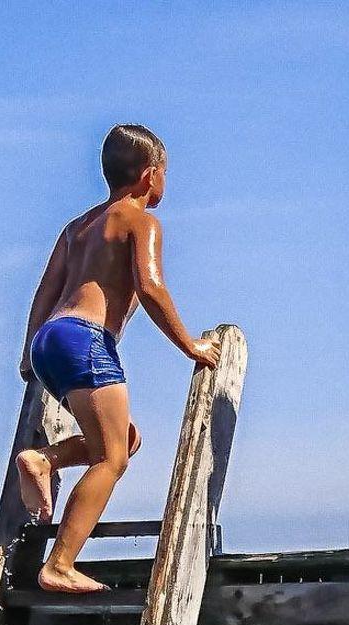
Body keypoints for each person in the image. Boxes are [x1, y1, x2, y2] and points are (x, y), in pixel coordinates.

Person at [16, 124, 221, 595]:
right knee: (113, 459)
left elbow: (46, 291)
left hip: (50, 340)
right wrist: (190, 345)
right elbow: (150, 287)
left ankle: (45, 460)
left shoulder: (75, 228)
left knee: (123, 440)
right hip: (87, 339)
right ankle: (60, 563)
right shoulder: (139, 221)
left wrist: (29, 352)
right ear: (151, 176)